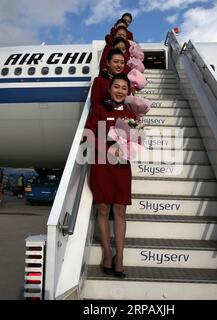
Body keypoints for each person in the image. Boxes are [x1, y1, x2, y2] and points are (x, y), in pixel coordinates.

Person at [85, 73, 137, 278]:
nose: (120, 91)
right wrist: (107, 151)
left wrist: (130, 147)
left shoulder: (131, 115)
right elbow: (88, 135)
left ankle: (120, 258)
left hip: (122, 166)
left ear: (128, 92)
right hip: (101, 164)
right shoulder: (99, 109)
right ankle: (107, 255)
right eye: (117, 86)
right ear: (110, 88)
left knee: (121, 210)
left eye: (124, 88)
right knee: (104, 209)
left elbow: (136, 143)